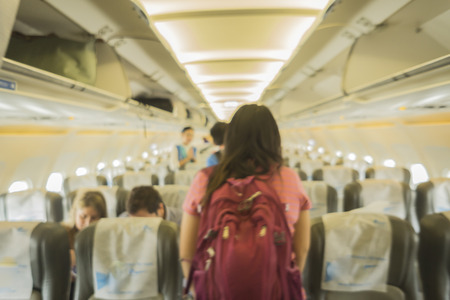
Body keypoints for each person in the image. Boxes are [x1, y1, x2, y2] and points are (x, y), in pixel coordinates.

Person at [179, 104, 311, 295]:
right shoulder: (289, 178)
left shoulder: (205, 179)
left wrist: (200, 291)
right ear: (274, 139)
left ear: (230, 138)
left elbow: (186, 254)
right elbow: (302, 250)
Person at [64, 190, 107, 297]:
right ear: (75, 215)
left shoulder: (107, 236)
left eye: (93, 218)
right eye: (83, 216)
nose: (88, 223)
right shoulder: (62, 236)